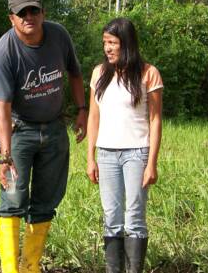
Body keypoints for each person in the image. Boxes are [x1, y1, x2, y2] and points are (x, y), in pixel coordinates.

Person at [0, 0, 87, 273]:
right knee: (14, 197)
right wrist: (6, 154)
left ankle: (30, 266)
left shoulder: (59, 35)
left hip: (54, 128)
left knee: (46, 199)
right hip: (20, 129)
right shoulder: (5, 50)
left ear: (43, 13)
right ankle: (10, 270)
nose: (29, 17)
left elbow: (75, 73)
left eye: (34, 11)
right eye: (22, 13)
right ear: (12, 19)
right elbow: (2, 108)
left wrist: (82, 110)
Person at [86, 18, 163, 273]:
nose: (108, 48)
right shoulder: (99, 73)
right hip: (106, 154)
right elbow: (93, 116)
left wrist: (151, 163)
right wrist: (90, 157)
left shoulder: (148, 73)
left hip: (137, 153)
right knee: (111, 217)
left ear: (127, 44)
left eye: (113, 43)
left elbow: (155, 119)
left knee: (134, 217)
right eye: (105, 42)